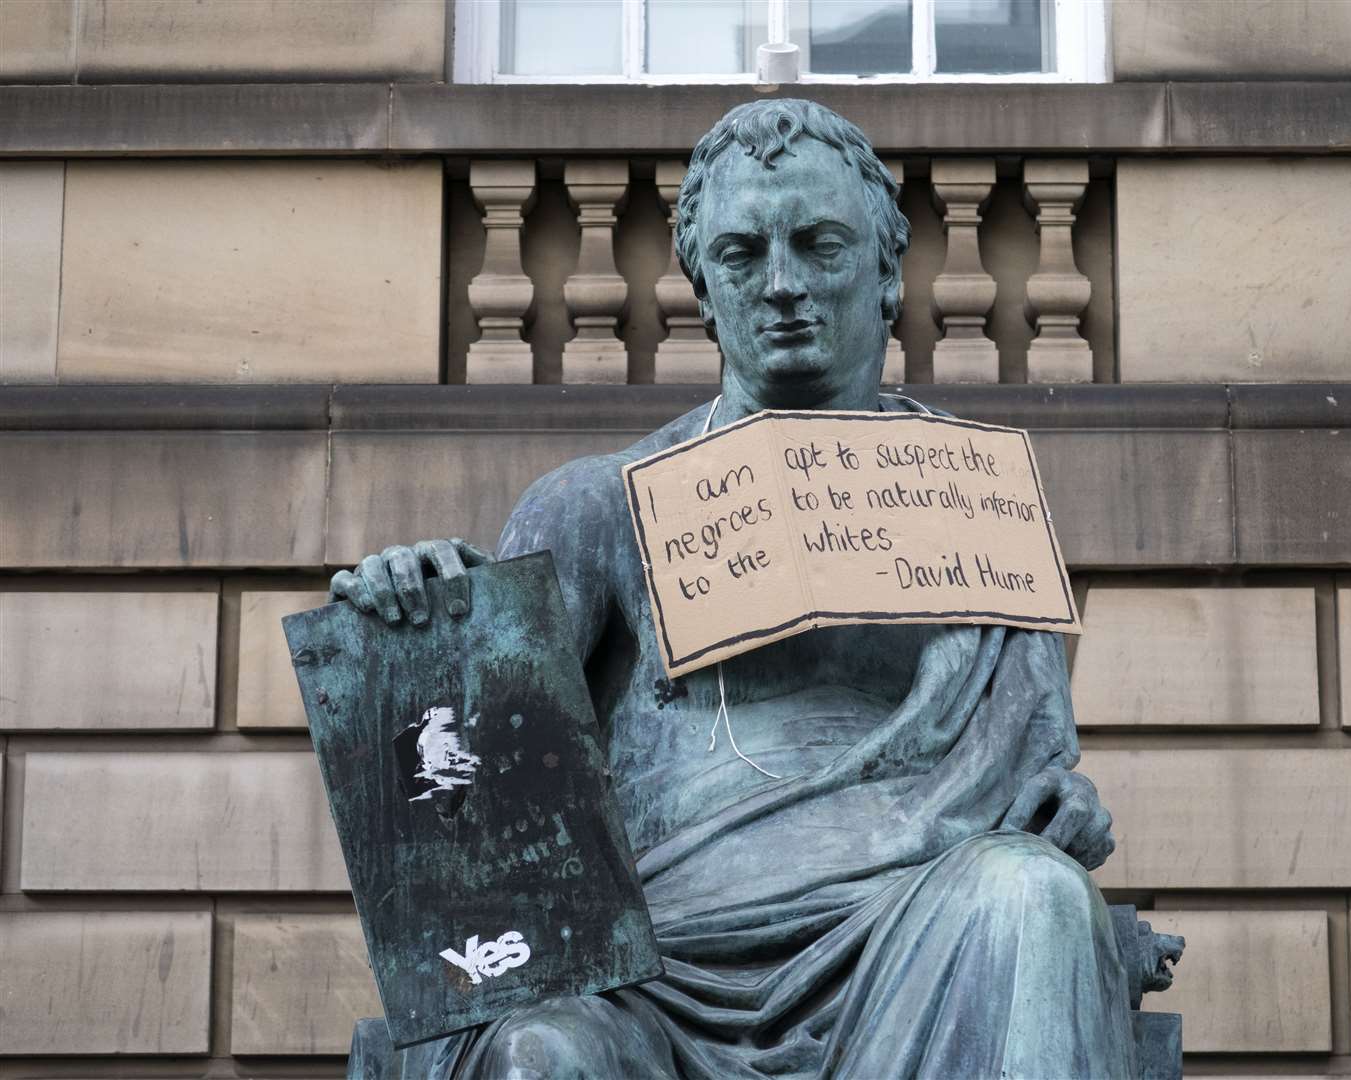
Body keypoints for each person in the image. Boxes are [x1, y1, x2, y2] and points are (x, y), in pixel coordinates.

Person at [332, 99, 1168, 1079]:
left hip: (911, 926)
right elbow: (472, 808)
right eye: (741, 254)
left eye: (820, 246)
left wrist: (1062, 812)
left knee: (1035, 896)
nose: (782, 285)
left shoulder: (970, 508)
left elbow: (1029, 769)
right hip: (652, 972)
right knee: (540, 1057)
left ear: (889, 270)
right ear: (702, 285)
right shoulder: (595, 506)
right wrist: (425, 626)